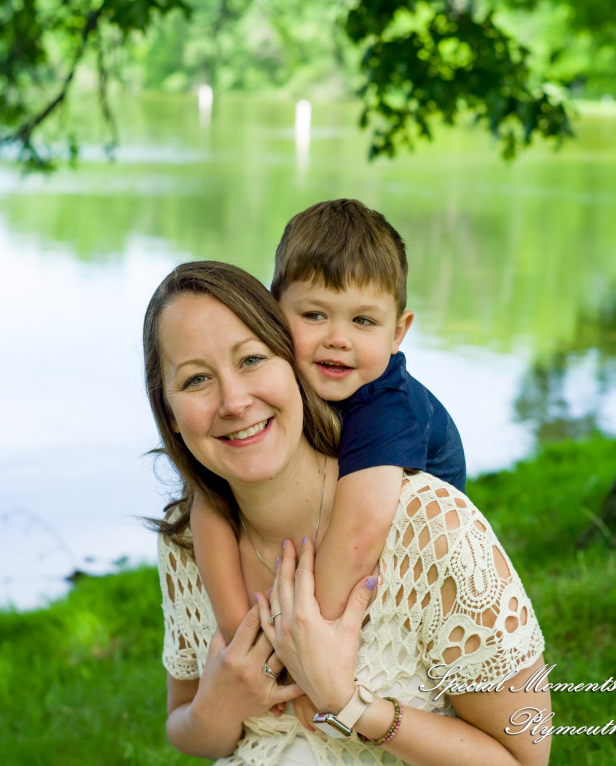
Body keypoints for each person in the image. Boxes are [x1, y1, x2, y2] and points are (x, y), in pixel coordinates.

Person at [145, 260, 550, 765]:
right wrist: (218, 704)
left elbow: (524, 761)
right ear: (171, 414)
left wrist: (349, 704)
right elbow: (189, 732)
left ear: (292, 360)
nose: (233, 400)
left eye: (251, 360)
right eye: (197, 379)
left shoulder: (433, 530)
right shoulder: (186, 542)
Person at [192, 200, 466, 670]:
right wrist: (247, 636)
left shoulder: (384, 404)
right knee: (207, 493)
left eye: (363, 321)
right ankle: (243, 644)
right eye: (315, 315)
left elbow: (359, 536)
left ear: (398, 332)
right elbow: (210, 496)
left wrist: (300, 651)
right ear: (273, 315)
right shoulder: (285, 379)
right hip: (325, 526)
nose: (338, 338)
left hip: (407, 563)